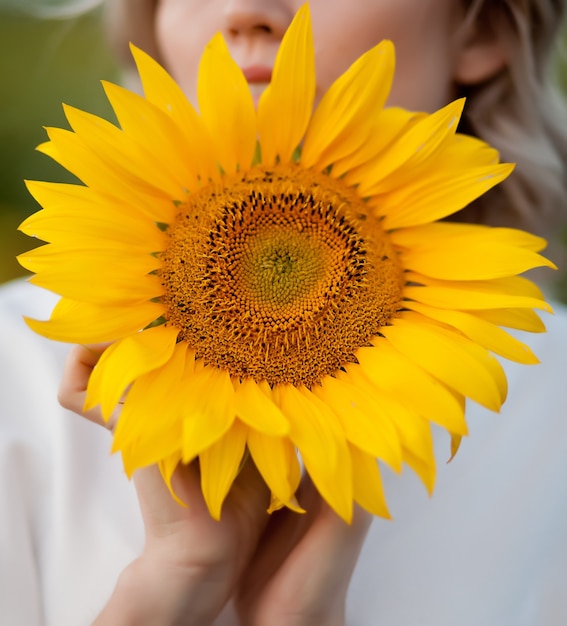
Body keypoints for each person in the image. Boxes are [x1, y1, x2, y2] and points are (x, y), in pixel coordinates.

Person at [1, 0, 567, 624]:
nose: (245, 10)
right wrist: (171, 586)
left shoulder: (550, 413)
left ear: (483, 28)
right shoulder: (16, 368)